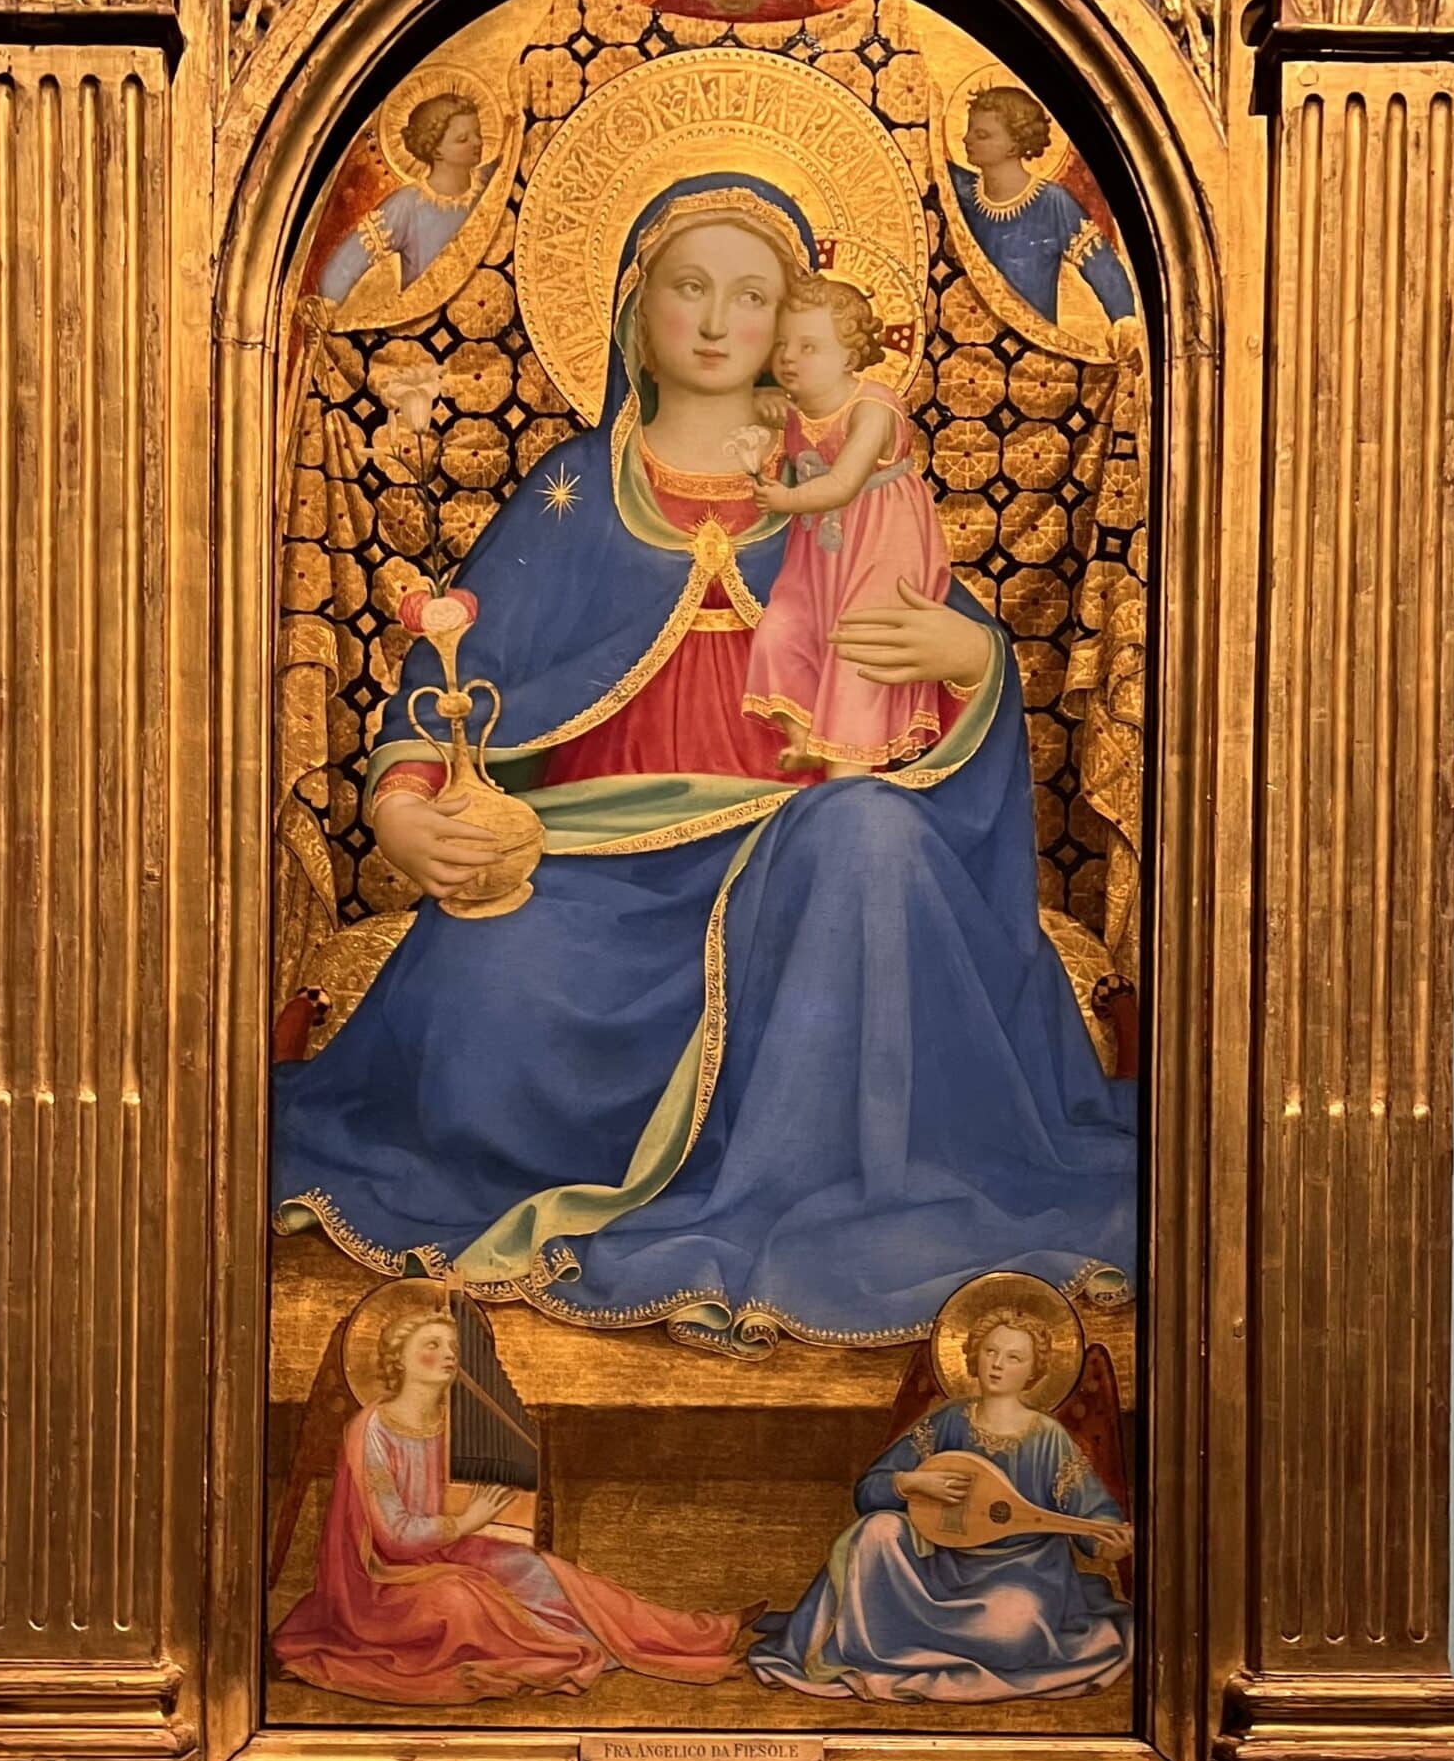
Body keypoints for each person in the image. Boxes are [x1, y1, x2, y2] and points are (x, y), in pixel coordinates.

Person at [270, 170, 1136, 1351]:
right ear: (635, 309)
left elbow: (935, 633)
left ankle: (834, 1201)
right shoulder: (575, 491)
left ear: (799, 323)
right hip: (597, 868)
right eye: (690, 287)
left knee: (869, 834)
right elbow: (455, 668)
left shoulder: (849, 480)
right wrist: (407, 802)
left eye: (753, 296)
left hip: (801, 870)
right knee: (482, 991)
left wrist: (972, 658)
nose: (720, 322)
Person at [272, 1301, 752, 1702]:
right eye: (432, 1345)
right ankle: (587, 1645)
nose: (448, 1355)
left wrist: (483, 1519)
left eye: (453, 1347)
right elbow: (393, 1536)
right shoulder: (371, 1431)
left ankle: (702, 1631)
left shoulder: (452, 1421)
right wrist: (467, 1520)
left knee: (543, 1570)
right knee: (459, 1601)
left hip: (443, 1552)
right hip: (381, 1583)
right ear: (399, 1359)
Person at [748, 1314, 1132, 1702]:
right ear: (974, 1356)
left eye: (1014, 1357)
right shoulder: (948, 1421)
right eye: (990, 1352)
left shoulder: (1048, 1438)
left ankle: (912, 1645)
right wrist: (911, 1483)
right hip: (941, 1564)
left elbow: (1092, 1512)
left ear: (1035, 1370)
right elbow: (869, 1491)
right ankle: (889, 1646)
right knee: (876, 1530)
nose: (998, 1365)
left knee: (1014, 1631)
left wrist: (1105, 1541)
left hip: (1021, 1576)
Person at [736, 274, 951, 774]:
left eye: (808, 346)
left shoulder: (872, 408)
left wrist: (787, 498)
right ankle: (804, 737)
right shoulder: (796, 409)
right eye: (782, 344)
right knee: (781, 630)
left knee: (861, 646)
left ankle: (848, 776)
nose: (789, 357)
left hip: (883, 542)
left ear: (849, 358)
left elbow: (845, 483)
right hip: (819, 551)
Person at [950, 85, 1136, 332]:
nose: (966, 139)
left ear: (1013, 145)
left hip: (1030, 345)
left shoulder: (1053, 203)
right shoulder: (959, 190)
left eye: (982, 135)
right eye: (970, 130)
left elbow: (1103, 267)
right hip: (967, 335)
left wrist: (1125, 324)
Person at [319, 95, 487, 309]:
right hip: (431, 321)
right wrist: (332, 310)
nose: (478, 143)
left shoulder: (492, 182)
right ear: (436, 149)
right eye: (463, 139)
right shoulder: (407, 205)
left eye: (478, 134)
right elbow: (338, 274)